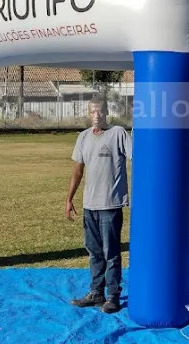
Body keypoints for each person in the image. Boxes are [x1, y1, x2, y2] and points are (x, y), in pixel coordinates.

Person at [65, 94, 132, 313]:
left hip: (110, 205)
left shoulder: (118, 133)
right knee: (94, 252)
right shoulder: (83, 137)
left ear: (107, 112)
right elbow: (78, 170)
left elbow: (139, 158)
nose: (96, 115)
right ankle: (96, 293)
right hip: (89, 205)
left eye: (100, 111)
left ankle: (113, 296)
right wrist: (69, 199)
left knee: (111, 253)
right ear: (88, 113)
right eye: (92, 111)